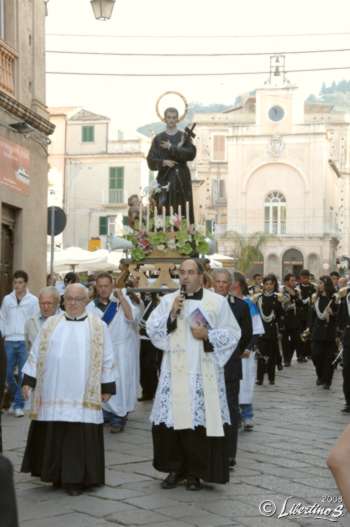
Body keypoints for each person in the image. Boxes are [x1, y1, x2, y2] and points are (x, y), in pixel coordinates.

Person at [146, 259, 241, 490]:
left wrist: (208, 334)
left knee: (199, 426)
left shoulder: (216, 302)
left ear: (201, 276)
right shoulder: (169, 300)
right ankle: (175, 468)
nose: (185, 277)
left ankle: (195, 473)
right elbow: (151, 328)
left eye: (190, 273)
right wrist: (171, 316)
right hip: (175, 370)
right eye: (182, 273)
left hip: (202, 371)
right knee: (173, 422)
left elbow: (232, 333)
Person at [21, 284, 115, 496]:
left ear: (86, 301)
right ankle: (55, 475)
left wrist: (107, 385)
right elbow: (36, 353)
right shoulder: (51, 325)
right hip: (54, 390)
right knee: (56, 432)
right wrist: (28, 380)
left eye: (77, 299)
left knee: (77, 435)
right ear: (63, 301)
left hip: (83, 393)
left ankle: (76, 479)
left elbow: (108, 358)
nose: (72, 303)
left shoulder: (98, 327)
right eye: (69, 299)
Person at [87, 272, 141, 433]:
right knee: (103, 380)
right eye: (100, 286)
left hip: (122, 350)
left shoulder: (122, 302)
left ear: (112, 286)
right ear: (96, 287)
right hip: (102, 349)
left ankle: (120, 415)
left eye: (106, 286)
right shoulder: (91, 306)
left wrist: (121, 298)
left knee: (121, 383)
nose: (103, 289)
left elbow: (132, 317)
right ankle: (107, 412)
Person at [213, 269, 252, 470]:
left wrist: (232, 352)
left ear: (231, 285)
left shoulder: (241, 307)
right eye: (217, 282)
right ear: (212, 283)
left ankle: (229, 455)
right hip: (208, 366)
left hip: (230, 366)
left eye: (225, 282)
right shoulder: (205, 304)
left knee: (230, 410)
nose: (221, 285)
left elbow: (245, 336)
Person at [147, 107, 196, 224]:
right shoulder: (158, 139)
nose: (171, 120)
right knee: (163, 208)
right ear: (164, 119)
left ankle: (184, 235)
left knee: (182, 209)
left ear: (177, 119)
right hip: (165, 178)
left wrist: (171, 148)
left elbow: (191, 154)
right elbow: (150, 160)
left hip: (181, 179)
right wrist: (164, 162)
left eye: (174, 118)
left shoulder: (184, 137)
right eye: (169, 117)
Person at [0, 270, 39, 417]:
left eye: (20, 282)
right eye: (15, 282)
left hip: (24, 341)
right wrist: (3, 333)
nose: (17, 285)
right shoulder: (7, 300)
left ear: (25, 283)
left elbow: (35, 319)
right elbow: (2, 317)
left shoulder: (33, 300)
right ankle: (17, 396)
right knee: (7, 374)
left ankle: (18, 405)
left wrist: (32, 338)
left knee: (23, 374)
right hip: (9, 340)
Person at [233, 273, 264, 431]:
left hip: (245, 352)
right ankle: (234, 416)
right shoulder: (224, 302)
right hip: (229, 351)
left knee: (245, 383)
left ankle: (247, 415)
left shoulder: (249, 303)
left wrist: (248, 347)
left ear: (238, 284)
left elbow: (256, 329)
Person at [255, 274, 284, 386]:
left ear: (274, 285)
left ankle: (271, 377)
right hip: (261, 328)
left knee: (272, 355)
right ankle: (259, 378)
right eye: (266, 284)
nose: (268, 286)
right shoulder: (258, 298)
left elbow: (281, 314)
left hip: (272, 330)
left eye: (271, 284)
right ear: (264, 285)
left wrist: (281, 329)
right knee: (261, 354)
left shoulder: (277, 298)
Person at [309, 276, 337, 390]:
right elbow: (311, 315)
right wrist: (309, 328)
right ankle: (320, 375)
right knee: (316, 356)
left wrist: (333, 313)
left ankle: (327, 381)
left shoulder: (335, 299)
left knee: (329, 358)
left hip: (330, 333)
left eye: (321, 283)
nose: (319, 285)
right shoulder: (316, 298)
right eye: (318, 283)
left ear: (326, 284)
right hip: (317, 332)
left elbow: (340, 315)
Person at [139, 292, 162, 401]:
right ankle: (147, 392)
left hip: (152, 339)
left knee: (151, 366)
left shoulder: (159, 303)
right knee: (144, 367)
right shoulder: (150, 302)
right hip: (143, 338)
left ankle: (154, 392)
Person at [25, 286, 61, 351]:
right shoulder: (30, 323)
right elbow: (28, 347)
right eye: (43, 303)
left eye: (49, 303)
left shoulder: (65, 321)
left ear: (57, 304)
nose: (45, 307)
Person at [281, 273, 304, 366]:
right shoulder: (281, 291)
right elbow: (282, 305)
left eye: (295, 280)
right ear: (286, 282)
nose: (294, 282)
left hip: (295, 319)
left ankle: (290, 356)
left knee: (296, 339)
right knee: (285, 341)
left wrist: (294, 295)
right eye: (292, 280)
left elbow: (300, 303)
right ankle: (286, 359)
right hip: (285, 319)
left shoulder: (297, 291)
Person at [296, 269, 316, 360]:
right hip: (300, 315)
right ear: (300, 278)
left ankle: (309, 353)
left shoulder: (313, 288)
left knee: (309, 333)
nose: (305, 279)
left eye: (307, 278)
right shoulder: (297, 288)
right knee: (300, 335)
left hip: (310, 314)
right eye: (303, 277)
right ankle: (301, 355)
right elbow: (296, 301)